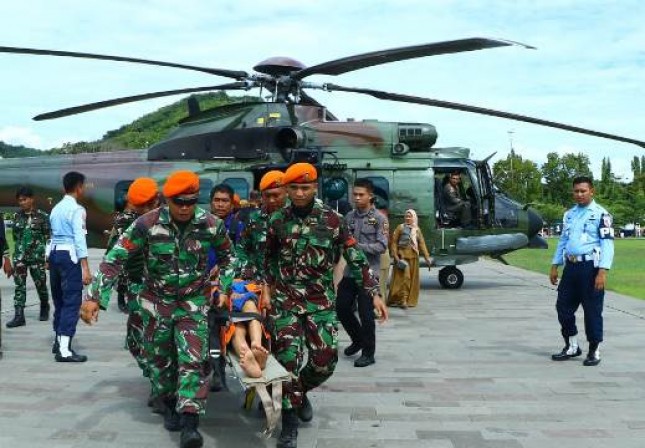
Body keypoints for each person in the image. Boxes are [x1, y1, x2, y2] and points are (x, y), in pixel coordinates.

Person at [81, 170, 233, 448]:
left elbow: (229, 257)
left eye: (191, 201)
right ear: (166, 200)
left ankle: (190, 422)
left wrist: (222, 287)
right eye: (179, 202)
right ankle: (169, 399)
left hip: (192, 304)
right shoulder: (145, 224)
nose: (185, 207)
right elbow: (116, 258)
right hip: (156, 305)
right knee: (159, 363)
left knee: (192, 362)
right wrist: (94, 297)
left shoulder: (210, 224)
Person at [264, 162, 388, 448]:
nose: (299, 193)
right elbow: (268, 257)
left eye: (305, 187)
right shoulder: (277, 221)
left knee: (324, 362)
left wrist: (374, 293)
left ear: (315, 187)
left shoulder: (333, 220)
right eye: (293, 187)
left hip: (319, 301)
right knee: (289, 360)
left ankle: (298, 391)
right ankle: (289, 425)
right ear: (286, 189)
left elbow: (355, 257)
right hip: (286, 302)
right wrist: (268, 287)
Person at [549, 176, 614, 367]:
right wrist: (555, 264)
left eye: (583, 191)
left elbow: (607, 245)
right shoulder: (569, 214)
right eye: (576, 191)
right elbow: (563, 240)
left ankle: (594, 350)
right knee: (563, 307)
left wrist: (603, 271)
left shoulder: (602, 215)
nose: (579, 194)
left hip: (590, 268)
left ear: (592, 191)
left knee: (592, 310)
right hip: (571, 267)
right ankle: (571, 345)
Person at [108, 178, 160, 381]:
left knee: (158, 337)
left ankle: (160, 384)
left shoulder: (166, 219)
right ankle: (151, 372)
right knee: (134, 337)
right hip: (135, 284)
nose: (142, 208)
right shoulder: (125, 220)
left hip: (161, 289)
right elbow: (113, 253)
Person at [336, 179, 388, 368]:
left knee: (367, 315)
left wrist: (358, 247)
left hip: (369, 273)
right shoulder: (348, 217)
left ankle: (368, 353)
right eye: (355, 194)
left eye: (361, 195)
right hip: (350, 272)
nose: (357, 198)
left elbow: (382, 246)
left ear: (370, 196)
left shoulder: (380, 219)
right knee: (341, 307)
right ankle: (357, 339)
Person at [48, 171, 92, 362]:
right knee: (72, 302)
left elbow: (51, 236)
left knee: (59, 300)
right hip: (69, 255)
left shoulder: (56, 208)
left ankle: (58, 341)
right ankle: (65, 350)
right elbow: (79, 238)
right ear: (79, 187)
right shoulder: (77, 209)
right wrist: (86, 267)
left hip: (55, 253)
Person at [6, 186, 51, 328]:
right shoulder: (17, 216)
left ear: (32, 199)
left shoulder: (43, 217)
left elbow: (49, 238)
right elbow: (15, 237)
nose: (21, 203)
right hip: (20, 259)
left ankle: (44, 305)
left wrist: (48, 258)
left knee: (41, 285)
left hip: (37, 259)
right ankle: (19, 316)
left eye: (24, 200)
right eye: (19, 200)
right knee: (20, 286)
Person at [387, 209, 433, 309]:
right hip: (402, 258)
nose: (408, 218)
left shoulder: (417, 230)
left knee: (411, 279)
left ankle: (406, 299)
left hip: (413, 258)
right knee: (405, 278)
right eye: (406, 216)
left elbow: (422, 244)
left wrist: (427, 257)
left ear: (414, 217)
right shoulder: (400, 228)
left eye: (410, 216)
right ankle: (403, 300)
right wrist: (395, 255)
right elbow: (394, 242)